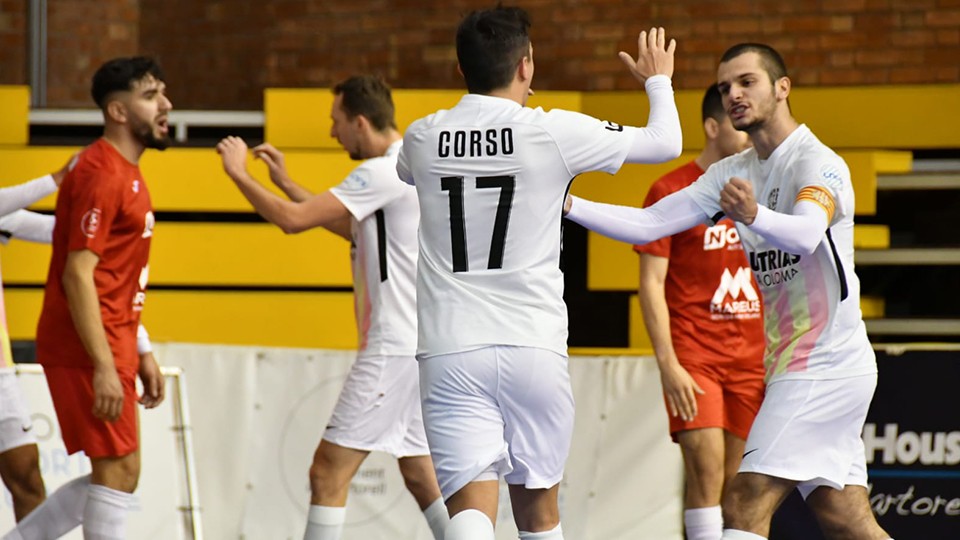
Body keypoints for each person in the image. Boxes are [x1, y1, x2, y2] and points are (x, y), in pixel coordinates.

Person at [564, 43, 892, 540]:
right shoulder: (731, 173)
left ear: (782, 88)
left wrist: (753, 215)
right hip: (793, 367)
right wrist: (566, 203)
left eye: (746, 82)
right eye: (724, 88)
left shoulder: (817, 162)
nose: (734, 94)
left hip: (824, 365)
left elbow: (806, 232)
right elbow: (649, 223)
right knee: (846, 520)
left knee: (741, 501)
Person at [395, 6, 681, 539]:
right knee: (540, 517)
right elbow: (665, 142)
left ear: (461, 70)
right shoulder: (552, 131)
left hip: (451, 347)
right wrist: (658, 81)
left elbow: (406, 173)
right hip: (534, 345)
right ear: (526, 65)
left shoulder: (421, 136)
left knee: (470, 517)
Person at [216, 75, 448, 540]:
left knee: (327, 473)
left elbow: (293, 221)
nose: (332, 133)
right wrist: (283, 181)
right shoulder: (407, 169)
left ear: (360, 122)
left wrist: (239, 174)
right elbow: (352, 227)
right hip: (419, 349)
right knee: (422, 477)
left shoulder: (381, 172)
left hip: (392, 349)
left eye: (336, 122)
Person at [3, 56, 169, 540]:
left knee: (120, 472)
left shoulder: (122, 171)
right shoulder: (102, 172)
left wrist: (140, 347)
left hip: (111, 337)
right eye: (151, 95)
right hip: (85, 345)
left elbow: (114, 275)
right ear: (118, 111)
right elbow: (79, 273)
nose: (166, 105)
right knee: (116, 472)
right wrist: (103, 363)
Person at [634, 83, 763, 540]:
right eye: (735, 122)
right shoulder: (670, 188)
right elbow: (650, 283)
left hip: (753, 358)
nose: (748, 132)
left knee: (742, 487)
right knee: (705, 473)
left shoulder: (760, 187)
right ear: (712, 126)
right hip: (695, 357)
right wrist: (668, 364)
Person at [0, 165, 71, 523]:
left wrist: (107, 213)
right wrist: (56, 180)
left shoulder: (3, 212)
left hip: (0, 377)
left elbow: (56, 231)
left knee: (28, 481)